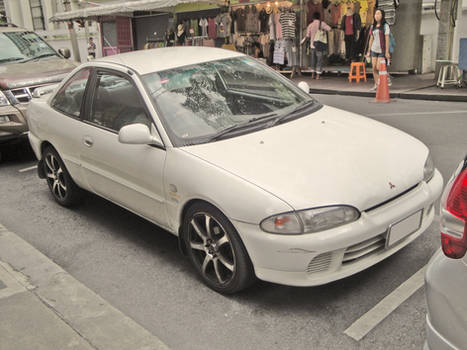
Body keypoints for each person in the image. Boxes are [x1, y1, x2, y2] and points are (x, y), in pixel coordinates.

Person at [365, 9, 390, 91]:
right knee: (374, 68)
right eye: (375, 14)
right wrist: (368, 51)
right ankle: (377, 84)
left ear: (382, 15)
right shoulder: (373, 26)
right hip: (373, 50)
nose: (376, 15)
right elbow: (371, 39)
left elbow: (387, 39)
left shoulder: (385, 26)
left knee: (379, 67)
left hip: (381, 50)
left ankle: (387, 77)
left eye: (378, 14)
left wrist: (386, 51)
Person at [301, 12, 331, 80]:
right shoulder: (322, 23)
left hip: (312, 45)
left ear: (313, 18)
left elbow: (308, 35)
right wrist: (323, 30)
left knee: (313, 61)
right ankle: (318, 76)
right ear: (319, 17)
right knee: (319, 60)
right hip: (319, 45)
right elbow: (329, 29)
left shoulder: (310, 25)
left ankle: (312, 74)